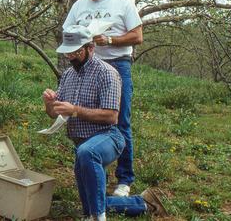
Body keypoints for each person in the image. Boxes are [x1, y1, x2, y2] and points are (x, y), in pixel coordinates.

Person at [42, 25, 166, 220]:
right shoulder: (68, 75)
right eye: (68, 53)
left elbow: (111, 117)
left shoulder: (107, 73)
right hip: (82, 145)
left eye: (76, 52)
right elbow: (53, 114)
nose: (71, 57)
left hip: (108, 137)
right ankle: (142, 203)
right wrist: (49, 105)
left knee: (87, 153)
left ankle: (98, 217)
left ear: (90, 48)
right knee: (90, 202)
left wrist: (74, 110)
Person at [63, 0, 143, 197]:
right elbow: (67, 31)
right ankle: (96, 170)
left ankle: (124, 180)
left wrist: (109, 40)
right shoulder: (79, 6)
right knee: (88, 119)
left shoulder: (122, 2)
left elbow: (137, 36)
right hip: (87, 66)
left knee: (119, 120)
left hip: (117, 63)